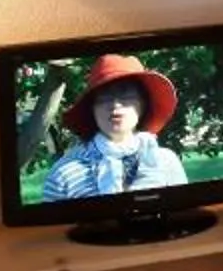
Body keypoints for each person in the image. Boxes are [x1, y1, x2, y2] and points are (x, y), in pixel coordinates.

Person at [40, 53, 190, 200]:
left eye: (125, 93)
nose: (115, 104)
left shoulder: (165, 162)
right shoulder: (63, 173)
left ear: (142, 104)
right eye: (105, 96)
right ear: (92, 108)